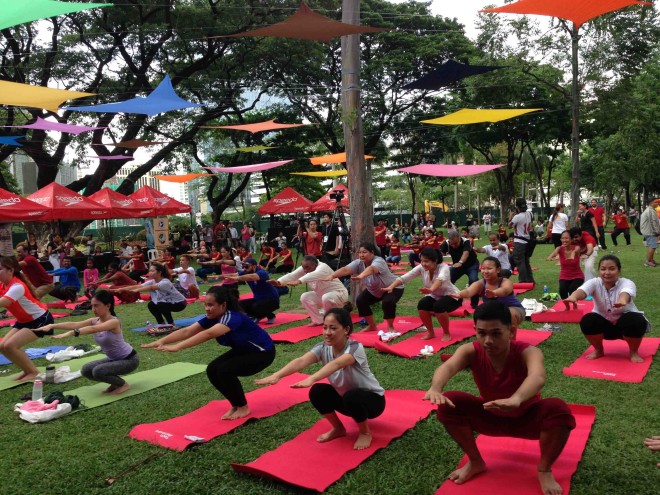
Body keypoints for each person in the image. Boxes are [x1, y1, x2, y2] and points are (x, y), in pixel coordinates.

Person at [424, 301, 575, 495]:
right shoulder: (470, 350)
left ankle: (544, 469)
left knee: (558, 409)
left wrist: (516, 399)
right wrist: (435, 388)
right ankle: (476, 462)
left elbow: (537, 376)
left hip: (527, 420)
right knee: (449, 402)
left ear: (511, 332)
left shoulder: (528, 351)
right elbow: (448, 366)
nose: (487, 340)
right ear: (475, 331)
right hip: (490, 416)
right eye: (481, 333)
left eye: (496, 333)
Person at [256, 308, 385, 450]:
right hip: (348, 402)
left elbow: (337, 364)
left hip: (373, 402)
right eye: (324, 327)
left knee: (352, 396)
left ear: (346, 329)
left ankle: (365, 432)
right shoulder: (323, 347)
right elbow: (301, 361)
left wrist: (312, 377)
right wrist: (277, 375)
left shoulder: (355, 347)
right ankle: (338, 429)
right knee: (317, 391)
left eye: (333, 328)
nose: (327, 332)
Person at [142, 286, 276, 420]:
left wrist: (178, 347)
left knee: (225, 370)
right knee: (212, 370)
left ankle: (243, 407)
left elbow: (209, 334)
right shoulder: (212, 317)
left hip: (263, 353)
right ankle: (236, 405)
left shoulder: (232, 316)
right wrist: (161, 341)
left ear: (223, 305)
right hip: (243, 350)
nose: (207, 308)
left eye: (210, 305)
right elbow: (187, 331)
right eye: (205, 305)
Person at [45, 290, 138, 395]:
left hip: (129, 360)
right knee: (86, 370)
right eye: (92, 306)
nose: (93, 309)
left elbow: (93, 329)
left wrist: (71, 333)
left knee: (98, 371)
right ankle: (115, 383)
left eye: (97, 306)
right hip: (113, 359)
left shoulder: (114, 322)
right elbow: (74, 324)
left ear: (108, 306)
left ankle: (123, 384)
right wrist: (52, 326)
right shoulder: (95, 320)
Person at [563, 255, 649, 363]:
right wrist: (573, 297)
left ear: (619, 270)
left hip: (625, 326)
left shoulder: (627, 282)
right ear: (599, 270)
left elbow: (626, 293)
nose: (607, 272)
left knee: (635, 320)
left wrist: (622, 300)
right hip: (604, 326)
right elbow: (583, 290)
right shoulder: (594, 282)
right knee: (588, 320)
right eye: (603, 269)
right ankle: (599, 350)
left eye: (611, 269)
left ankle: (633, 352)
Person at [384, 248, 460, 341]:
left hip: (452, 296)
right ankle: (431, 332)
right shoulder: (422, 267)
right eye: (422, 261)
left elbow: (440, 280)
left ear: (435, 261)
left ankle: (446, 333)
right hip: (435, 295)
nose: (423, 264)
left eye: (426, 261)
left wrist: (431, 289)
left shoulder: (444, 267)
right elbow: (405, 277)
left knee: (438, 306)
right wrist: (391, 287)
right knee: (422, 305)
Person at [0, 256, 55, 381]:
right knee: (2, 346)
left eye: (0, 269)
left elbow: (3, 302)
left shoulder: (17, 286)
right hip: (24, 321)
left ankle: (33, 372)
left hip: (40, 319)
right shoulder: (3, 285)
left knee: (10, 345)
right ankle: (27, 371)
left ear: (10, 270)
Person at [328, 242, 403, 333]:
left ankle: (390, 327)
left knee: (388, 302)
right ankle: (372, 326)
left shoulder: (379, 261)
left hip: (393, 287)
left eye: (364, 252)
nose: (361, 255)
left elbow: (371, 269)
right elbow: (346, 269)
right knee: (361, 300)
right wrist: (332, 276)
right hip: (376, 291)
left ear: (372, 252)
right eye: (360, 253)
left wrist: (361, 276)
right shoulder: (358, 263)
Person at [274, 255, 349, 326]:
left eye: (307, 267)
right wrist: (278, 282)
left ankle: (329, 319)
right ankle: (318, 320)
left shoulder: (323, 268)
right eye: (304, 268)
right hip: (323, 296)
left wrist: (299, 281)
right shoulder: (305, 268)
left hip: (339, 294)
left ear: (315, 265)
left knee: (326, 297)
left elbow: (312, 275)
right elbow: (292, 275)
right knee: (305, 297)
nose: (305, 270)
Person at [450, 257, 525, 328]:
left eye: (489, 268)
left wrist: (494, 293)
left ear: (498, 270)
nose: (485, 271)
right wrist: (459, 294)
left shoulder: (505, 281)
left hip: (514, 309)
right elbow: (468, 291)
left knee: (509, 315)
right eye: (483, 268)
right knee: (479, 314)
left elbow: (505, 290)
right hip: (494, 311)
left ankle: (510, 338)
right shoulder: (480, 283)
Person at [115, 263, 187, 330]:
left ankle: (172, 324)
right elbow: (138, 286)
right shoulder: (153, 281)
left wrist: (136, 291)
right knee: (151, 305)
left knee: (161, 304)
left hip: (180, 303)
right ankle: (162, 324)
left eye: (152, 271)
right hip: (168, 302)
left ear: (159, 272)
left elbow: (151, 288)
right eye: (150, 271)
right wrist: (122, 289)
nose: (150, 273)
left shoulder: (165, 282)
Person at [219, 258, 280, 324]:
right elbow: (235, 274)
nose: (244, 268)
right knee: (240, 304)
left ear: (254, 266)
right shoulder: (246, 271)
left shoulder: (262, 273)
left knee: (257, 306)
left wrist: (237, 278)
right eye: (243, 266)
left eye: (246, 266)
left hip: (272, 300)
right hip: (259, 299)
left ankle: (263, 316)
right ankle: (259, 316)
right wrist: (224, 276)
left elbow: (251, 277)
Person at [440, 230, 481, 309]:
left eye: (455, 243)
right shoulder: (446, 243)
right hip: (458, 266)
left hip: (471, 265)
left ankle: (474, 304)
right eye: (452, 244)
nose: (454, 246)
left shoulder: (466, 241)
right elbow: (441, 254)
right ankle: (456, 301)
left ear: (459, 238)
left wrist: (460, 262)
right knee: (448, 280)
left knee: (473, 280)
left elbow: (466, 253)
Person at [546, 231, 584, 306]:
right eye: (562, 238)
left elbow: (576, 251)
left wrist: (573, 253)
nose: (564, 240)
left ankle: (575, 306)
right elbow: (550, 256)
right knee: (562, 290)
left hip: (577, 275)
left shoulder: (577, 248)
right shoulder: (559, 249)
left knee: (572, 289)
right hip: (564, 275)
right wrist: (552, 256)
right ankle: (567, 307)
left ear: (571, 239)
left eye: (566, 238)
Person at [509, 198, 535, 284]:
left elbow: (509, 225)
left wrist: (511, 216)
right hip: (527, 240)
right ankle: (530, 279)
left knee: (520, 261)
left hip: (519, 241)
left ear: (517, 207)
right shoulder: (529, 213)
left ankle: (523, 280)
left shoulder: (517, 217)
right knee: (526, 261)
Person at [640, 197, 660, 267]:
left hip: (649, 231)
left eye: (657, 202)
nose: (657, 203)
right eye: (655, 202)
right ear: (650, 203)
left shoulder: (651, 210)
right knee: (652, 246)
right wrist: (657, 231)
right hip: (650, 231)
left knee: (652, 246)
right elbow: (652, 222)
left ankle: (651, 260)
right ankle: (648, 261)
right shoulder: (650, 211)